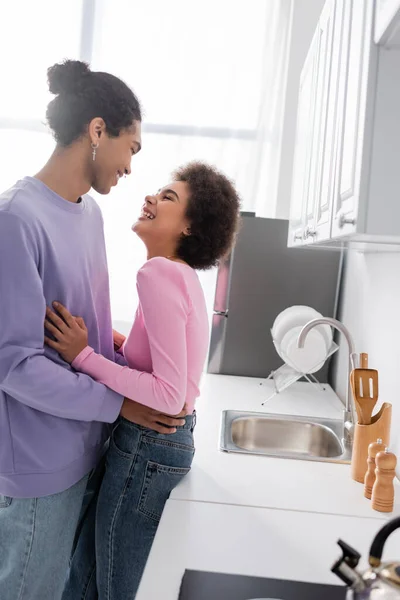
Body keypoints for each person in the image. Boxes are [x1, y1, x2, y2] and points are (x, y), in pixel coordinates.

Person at [0, 60, 186, 600]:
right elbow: (14, 364)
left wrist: (118, 351)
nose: (131, 167)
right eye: (132, 147)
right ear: (98, 131)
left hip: (88, 449)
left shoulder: (89, 214)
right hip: (40, 466)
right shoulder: (16, 220)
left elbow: (83, 327)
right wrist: (120, 405)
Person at [44, 161, 241, 599]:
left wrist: (83, 356)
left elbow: (168, 394)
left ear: (190, 226)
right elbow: (158, 364)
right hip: (161, 447)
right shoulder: (180, 275)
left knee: (109, 588)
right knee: (89, 579)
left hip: (148, 447)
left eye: (168, 197)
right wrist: (105, 342)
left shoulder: (157, 274)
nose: (151, 198)